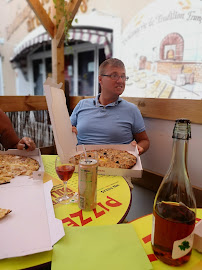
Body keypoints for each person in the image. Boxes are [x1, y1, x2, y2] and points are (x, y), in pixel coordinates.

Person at [70, 58, 150, 155]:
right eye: (114, 76)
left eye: (123, 76)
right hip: (82, 163)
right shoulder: (82, 105)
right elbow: (66, 132)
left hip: (117, 164)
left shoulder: (131, 110)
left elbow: (144, 141)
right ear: (100, 79)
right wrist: (69, 131)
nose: (120, 81)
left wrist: (139, 147)